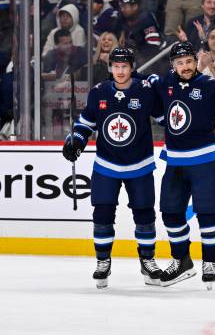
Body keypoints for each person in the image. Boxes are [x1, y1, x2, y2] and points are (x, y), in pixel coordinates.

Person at [151, 41, 215, 290]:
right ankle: (182, 260)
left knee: (207, 213)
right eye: (179, 63)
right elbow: (149, 92)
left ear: (196, 61)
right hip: (174, 161)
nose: (185, 67)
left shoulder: (210, 86)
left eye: (188, 62)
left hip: (205, 160)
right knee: (171, 213)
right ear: (173, 65)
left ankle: (209, 262)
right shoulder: (165, 84)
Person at [61, 48, 165, 289]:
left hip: (140, 165)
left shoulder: (145, 91)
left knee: (145, 214)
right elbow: (84, 124)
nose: (120, 71)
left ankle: (147, 260)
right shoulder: (99, 93)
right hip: (106, 166)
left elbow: (165, 118)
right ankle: (102, 261)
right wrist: (75, 140)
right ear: (110, 68)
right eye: (116, 66)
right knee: (103, 214)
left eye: (124, 66)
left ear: (131, 68)